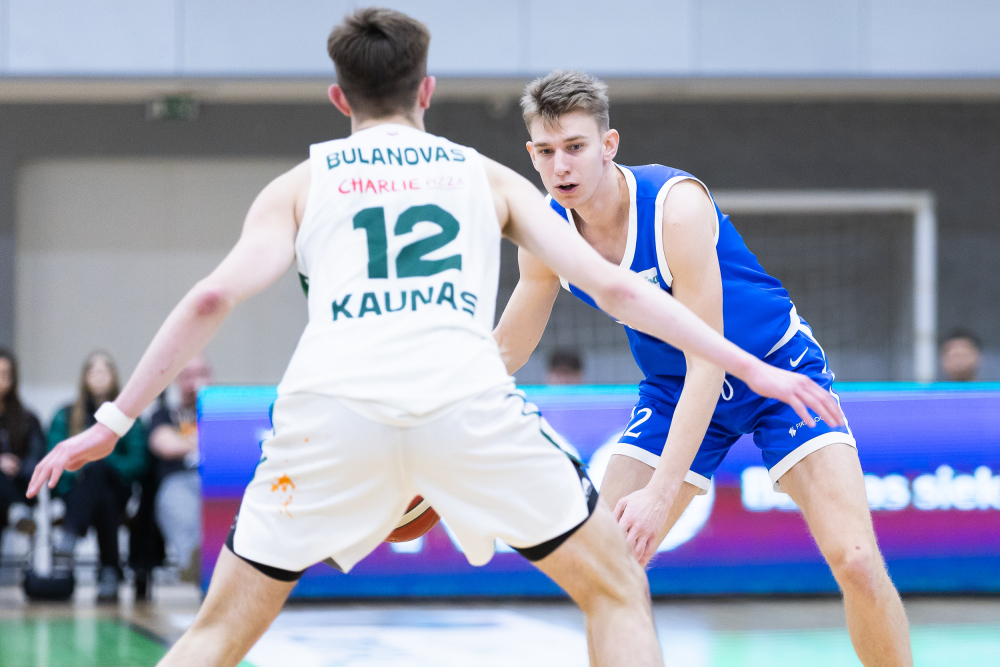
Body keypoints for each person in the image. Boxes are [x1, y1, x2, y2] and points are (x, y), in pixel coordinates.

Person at [30, 9, 840, 667]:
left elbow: (212, 295)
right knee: (616, 589)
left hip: (327, 417)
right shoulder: (485, 176)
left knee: (216, 633)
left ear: (338, 98)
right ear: (427, 89)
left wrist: (112, 420)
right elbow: (618, 288)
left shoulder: (301, 184)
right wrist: (751, 367)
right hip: (466, 409)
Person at [493, 70, 912, 665]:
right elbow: (509, 346)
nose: (561, 166)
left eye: (575, 147)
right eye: (546, 151)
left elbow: (708, 357)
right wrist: (435, 409)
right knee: (607, 573)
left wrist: (662, 492)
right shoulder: (544, 230)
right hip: (673, 390)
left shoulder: (675, 206)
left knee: (858, 562)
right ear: (531, 153)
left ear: (609, 145)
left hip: (773, 369)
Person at [47, 351, 147, 602]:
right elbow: (55, 457)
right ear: (85, 377)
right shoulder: (65, 414)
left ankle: (70, 537)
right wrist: (87, 466)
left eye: (105, 370)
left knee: (99, 470)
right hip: (76, 489)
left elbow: (137, 463)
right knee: (101, 494)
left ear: (114, 376)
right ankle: (110, 570)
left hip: (118, 486)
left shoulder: (130, 418)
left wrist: (100, 457)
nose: (99, 376)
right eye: (93, 370)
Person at [148, 355, 212, 583]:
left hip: (219, 479)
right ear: (177, 380)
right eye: (187, 376)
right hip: (179, 480)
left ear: (210, 377)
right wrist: (208, 440)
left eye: (200, 374)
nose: (194, 382)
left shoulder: (222, 410)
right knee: (176, 502)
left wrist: (185, 441)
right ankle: (195, 562)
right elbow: (164, 445)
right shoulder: (164, 414)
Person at [0, 349, 46, 556]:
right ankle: (15, 510)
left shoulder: (28, 419)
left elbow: (38, 459)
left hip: (20, 486)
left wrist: (17, 466)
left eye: (4, 374)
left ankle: (15, 509)